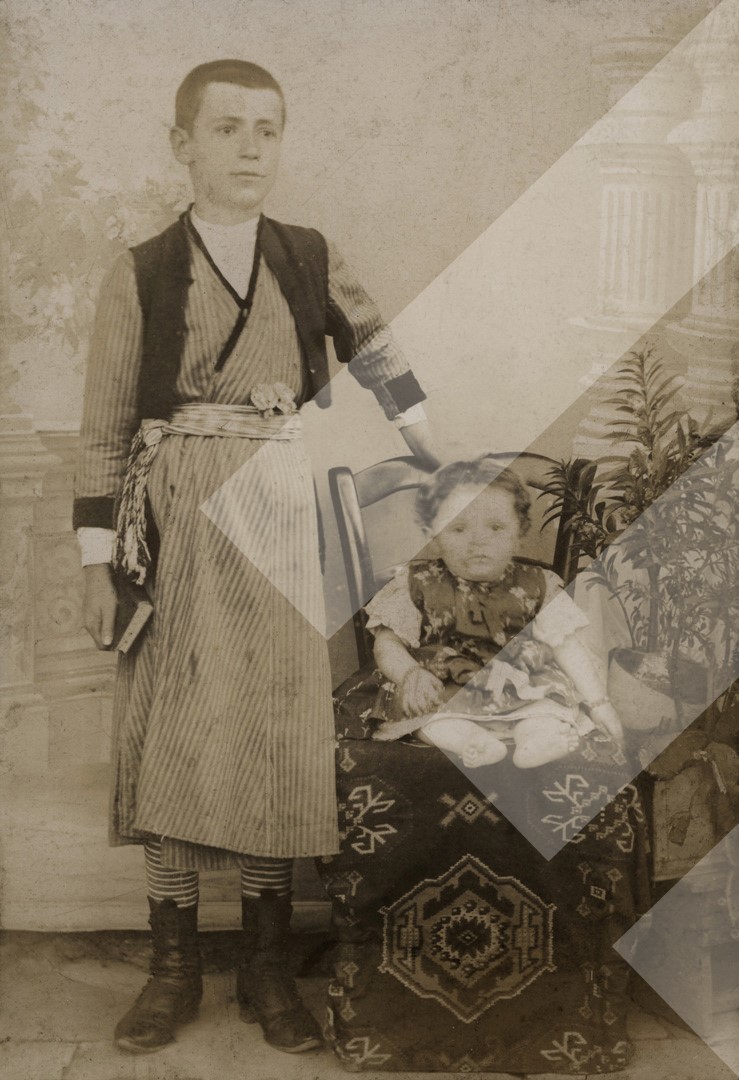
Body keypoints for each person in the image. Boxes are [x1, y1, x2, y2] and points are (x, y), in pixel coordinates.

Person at [73, 59, 437, 1056]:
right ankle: (173, 969)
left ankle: (267, 970)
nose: (249, 148)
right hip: (175, 526)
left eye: (266, 130)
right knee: (174, 733)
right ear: (182, 144)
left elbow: (377, 346)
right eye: (226, 128)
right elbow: (104, 429)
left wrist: (424, 444)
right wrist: (98, 564)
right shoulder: (142, 271)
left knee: (275, 740)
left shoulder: (307, 255)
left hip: (282, 516)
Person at [363, 457, 624, 768]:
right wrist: (409, 673)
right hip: (444, 685)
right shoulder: (416, 583)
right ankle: (470, 741)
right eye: (459, 528)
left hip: (521, 685)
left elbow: (568, 645)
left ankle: (536, 738)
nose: (479, 541)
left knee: (549, 710)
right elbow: (387, 642)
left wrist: (599, 703)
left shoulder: (539, 584)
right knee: (426, 718)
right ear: (433, 535)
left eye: (496, 527)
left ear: (519, 533)